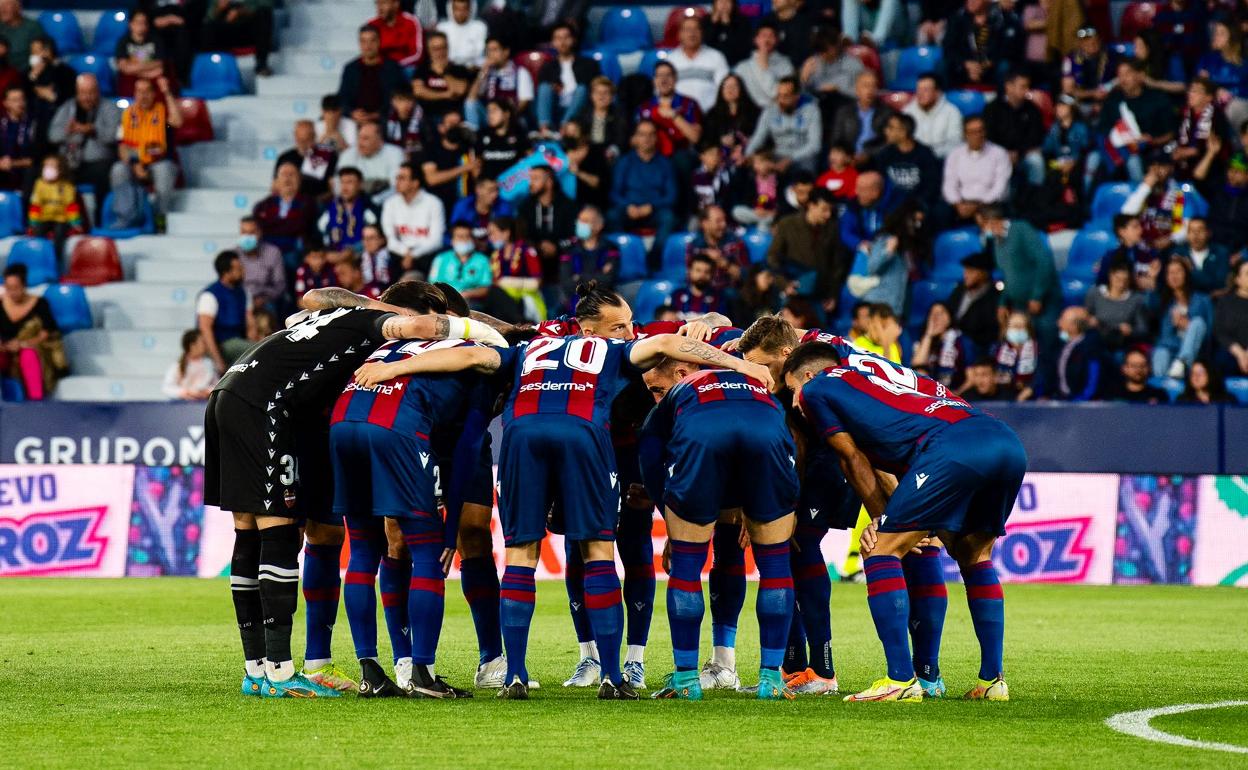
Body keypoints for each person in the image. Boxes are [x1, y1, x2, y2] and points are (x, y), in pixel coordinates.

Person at [350, 282, 774, 700]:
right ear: (591, 332)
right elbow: (670, 342)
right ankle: (612, 675)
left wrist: (392, 368)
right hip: (583, 432)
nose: (629, 332)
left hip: (523, 434)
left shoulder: (529, 347)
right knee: (596, 550)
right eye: (621, 326)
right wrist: (741, 366)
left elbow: (470, 354)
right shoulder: (610, 349)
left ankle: (513, 674)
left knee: (520, 555)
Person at [204, 280, 506, 698]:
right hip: (293, 414)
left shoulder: (334, 318)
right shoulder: (381, 325)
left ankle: (283, 666)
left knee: (279, 532)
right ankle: (286, 671)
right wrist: (477, 334)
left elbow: (309, 303)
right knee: (289, 531)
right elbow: (448, 334)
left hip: (260, 400)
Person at [783, 340, 1024, 702]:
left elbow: (852, 459)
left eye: (791, 389)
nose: (792, 401)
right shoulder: (897, 382)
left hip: (950, 448)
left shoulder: (819, 387)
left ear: (808, 375)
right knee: (972, 554)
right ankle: (993, 680)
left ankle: (899, 679)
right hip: (1005, 442)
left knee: (880, 550)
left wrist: (882, 520)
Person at [640, 359, 799, 701]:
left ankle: (685, 681)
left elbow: (650, 452)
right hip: (768, 432)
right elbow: (787, 437)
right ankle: (771, 679)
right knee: (775, 565)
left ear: (682, 373)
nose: (655, 396)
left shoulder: (680, 393)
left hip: (703, 433)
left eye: (656, 389)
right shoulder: (757, 381)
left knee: (686, 567)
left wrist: (669, 513)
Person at [977, 205, 1061, 358]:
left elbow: (1044, 261)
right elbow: (1007, 276)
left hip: (1044, 302)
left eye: (982, 225)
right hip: (1019, 305)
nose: (982, 230)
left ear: (992, 221)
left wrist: (1037, 295)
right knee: (1020, 351)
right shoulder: (997, 242)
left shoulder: (1021, 229)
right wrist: (1003, 302)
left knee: (1045, 348)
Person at [109, 76, 182, 229]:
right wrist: (135, 164)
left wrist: (167, 92)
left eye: (147, 91)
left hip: (159, 162)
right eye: (139, 92)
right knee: (118, 170)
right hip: (135, 162)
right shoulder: (127, 115)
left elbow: (177, 121)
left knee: (164, 171)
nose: (143, 96)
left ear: (154, 94)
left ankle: (159, 218)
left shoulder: (162, 113)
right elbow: (122, 147)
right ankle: (127, 216)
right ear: (134, 94)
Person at [49, 74, 119, 221]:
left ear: (98, 91)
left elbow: (113, 136)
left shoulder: (110, 108)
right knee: (52, 173)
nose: (87, 97)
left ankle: (101, 218)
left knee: (104, 173)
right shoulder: (67, 108)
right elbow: (52, 135)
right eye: (83, 93)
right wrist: (67, 131)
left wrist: (93, 130)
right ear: (77, 92)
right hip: (70, 162)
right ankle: (60, 220)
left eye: (91, 92)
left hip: (98, 163)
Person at [1095, 60, 1177, 185]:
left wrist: (1151, 140)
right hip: (1117, 148)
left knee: (1133, 161)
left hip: (1148, 150)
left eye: (1127, 74)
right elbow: (1102, 129)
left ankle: (1140, 200)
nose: (1123, 79)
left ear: (1140, 76)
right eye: (1120, 75)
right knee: (1093, 158)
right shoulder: (1113, 99)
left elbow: (1170, 133)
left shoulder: (1158, 99)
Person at [766, 188, 847, 308]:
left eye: (830, 210)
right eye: (824, 209)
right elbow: (773, 256)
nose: (828, 215)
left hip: (820, 295)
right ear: (811, 205)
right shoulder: (788, 224)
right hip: (794, 290)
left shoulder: (832, 228)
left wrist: (833, 294)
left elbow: (836, 266)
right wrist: (784, 283)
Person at [608, 120, 677, 255]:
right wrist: (628, 206)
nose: (647, 139)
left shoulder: (666, 164)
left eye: (651, 134)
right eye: (642, 134)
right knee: (612, 216)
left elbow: (672, 196)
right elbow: (614, 193)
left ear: (656, 138)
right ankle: (626, 254)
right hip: (629, 210)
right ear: (635, 138)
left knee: (669, 218)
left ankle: (654, 258)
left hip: (654, 211)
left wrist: (651, 206)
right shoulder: (624, 162)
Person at [0, 263, 64, 400]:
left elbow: (47, 332)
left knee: (28, 355)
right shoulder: (1, 303)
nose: (12, 292)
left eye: (16, 288)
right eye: (8, 288)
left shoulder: (40, 304)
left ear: (24, 286)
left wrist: (23, 343)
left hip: (32, 348)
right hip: (5, 350)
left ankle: (36, 402)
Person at [380, 162, 445, 278]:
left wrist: (413, 254)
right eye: (397, 178)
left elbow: (436, 241)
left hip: (425, 255)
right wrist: (406, 253)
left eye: (402, 178)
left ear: (415, 183)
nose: (397, 182)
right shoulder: (390, 203)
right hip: (399, 253)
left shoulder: (434, 203)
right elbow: (390, 240)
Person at [744, 76, 822, 174]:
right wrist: (748, 154)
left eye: (786, 96)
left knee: (807, 169)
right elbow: (759, 136)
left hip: (802, 156)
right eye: (779, 96)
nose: (781, 100)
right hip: (778, 154)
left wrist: (791, 159)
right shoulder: (770, 111)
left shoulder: (811, 110)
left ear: (796, 96)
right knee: (757, 166)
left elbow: (815, 145)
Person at [1152, 257, 1212, 380]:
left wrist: (1187, 326)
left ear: (1186, 274)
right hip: (1171, 350)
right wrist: (1153, 279)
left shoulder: (1203, 300)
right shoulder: (1165, 302)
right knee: (1160, 353)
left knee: (1197, 322)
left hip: (1198, 351)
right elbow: (1165, 338)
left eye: (1178, 271)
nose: (1174, 276)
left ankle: (1182, 363)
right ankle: (1162, 389)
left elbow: (1210, 333)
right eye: (1170, 273)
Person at [982, 71, 1045, 186]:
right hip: (997, 155)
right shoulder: (992, 108)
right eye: (1023, 87)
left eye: (1028, 87)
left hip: (1023, 155)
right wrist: (1003, 153)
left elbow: (1035, 137)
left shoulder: (1032, 109)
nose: (1027, 91)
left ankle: (1036, 198)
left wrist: (1019, 153)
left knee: (1036, 160)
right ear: (1009, 87)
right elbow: (988, 136)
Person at [517, 163, 577, 284]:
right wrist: (537, 246)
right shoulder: (525, 207)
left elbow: (575, 237)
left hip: (562, 259)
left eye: (536, 179)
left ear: (549, 182)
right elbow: (521, 235)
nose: (531, 183)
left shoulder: (568, 206)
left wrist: (557, 247)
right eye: (530, 179)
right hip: (535, 259)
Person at [942, 0, 1023, 89]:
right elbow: (948, 47)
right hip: (965, 67)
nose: (970, 2)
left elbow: (1010, 49)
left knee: (1005, 66)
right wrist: (966, 64)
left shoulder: (1002, 19)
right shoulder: (958, 18)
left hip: (992, 66)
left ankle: (1002, 99)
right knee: (943, 64)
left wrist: (987, 63)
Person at [535, 23, 599, 135]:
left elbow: (593, 88)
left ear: (573, 40)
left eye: (566, 37)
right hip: (556, 106)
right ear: (553, 43)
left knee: (582, 89)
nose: (562, 42)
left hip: (579, 107)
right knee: (544, 88)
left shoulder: (588, 64)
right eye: (558, 38)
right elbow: (544, 93)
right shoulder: (548, 66)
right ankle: (545, 129)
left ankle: (565, 127)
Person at [943, 116, 1011, 217]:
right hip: (962, 203)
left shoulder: (999, 153)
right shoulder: (955, 154)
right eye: (972, 132)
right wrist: (957, 204)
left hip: (990, 204)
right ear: (965, 135)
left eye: (980, 131)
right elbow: (949, 184)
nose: (978, 135)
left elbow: (1000, 187)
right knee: (940, 213)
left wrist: (978, 205)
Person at [253, 162, 319, 264]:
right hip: (267, 250)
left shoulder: (308, 203)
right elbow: (259, 229)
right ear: (276, 181)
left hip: (293, 250)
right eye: (284, 175)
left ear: (299, 180)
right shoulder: (262, 205)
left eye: (291, 175)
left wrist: (272, 226)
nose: (287, 179)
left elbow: (300, 226)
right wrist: (287, 225)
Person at [339, 26, 406, 126]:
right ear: (359, 44)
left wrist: (378, 115)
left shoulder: (392, 68)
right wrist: (352, 113)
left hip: (384, 121)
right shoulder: (350, 68)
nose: (368, 46)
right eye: (364, 41)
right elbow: (342, 98)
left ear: (379, 42)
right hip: (356, 121)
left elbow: (399, 97)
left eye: (372, 41)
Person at [197, 251, 253, 372]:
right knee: (252, 351)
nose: (243, 271)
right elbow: (205, 329)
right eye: (238, 269)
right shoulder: (209, 296)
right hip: (221, 343)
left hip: (238, 341)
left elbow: (250, 323)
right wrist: (218, 360)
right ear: (226, 273)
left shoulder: (243, 292)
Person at [637, 61, 704, 160]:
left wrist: (675, 116)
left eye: (668, 75)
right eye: (659, 75)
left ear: (675, 78)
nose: (664, 80)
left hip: (681, 155)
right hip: (652, 155)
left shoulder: (689, 104)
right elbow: (634, 139)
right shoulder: (644, 107)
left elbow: (695, 138)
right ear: (654, 80)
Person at [873, 113, 942, 208]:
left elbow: (931, 187)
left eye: (891, 127)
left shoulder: (925, 154)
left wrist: (917, 205)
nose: (886, 131)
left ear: (903, 132)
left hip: (918, 206)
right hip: (890, 205)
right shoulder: (885, 154)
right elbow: (880, 182)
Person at [464, 36, 534, 130]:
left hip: (511, 117)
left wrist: (504, 115)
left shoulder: (520, 72)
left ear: (506, 52)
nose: (490, 54)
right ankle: (473, 138)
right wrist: (483, 72)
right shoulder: (486, 73)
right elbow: (471, 97)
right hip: (489, 116)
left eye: (494, 50)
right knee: (470, 103)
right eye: (488, 50)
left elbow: (524, 102)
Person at [1084, 258, 1149, 353]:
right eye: (1118, 279)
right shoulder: (1095, 293)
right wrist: (1090, 321)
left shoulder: (1136, 299)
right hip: (1097, 340)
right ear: (1111, 276)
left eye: (1125, 280)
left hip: (1122, 344)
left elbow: (1143, 329)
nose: (1121, 284)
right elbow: (1085, 317)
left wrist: (1131, 331)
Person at [828, 70, 893, 164]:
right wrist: (845, 156)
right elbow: (836, 140)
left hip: (874, 160)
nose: (870, 90)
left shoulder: (886, 112)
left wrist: (869, 155)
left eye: (874, 86)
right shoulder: (844, 112)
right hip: (846, 159)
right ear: (857, 90)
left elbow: (889, 142)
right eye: (866, 86)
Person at [26, 154, 83, 259]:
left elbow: (71, 207)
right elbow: (35, 206)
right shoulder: (39, 184)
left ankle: (56, 260)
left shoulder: (67, 186)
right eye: (46, 166)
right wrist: (32, 224)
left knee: (59, 233)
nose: (48, 169)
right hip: (44, 218)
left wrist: (76, 224)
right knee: (38, 232)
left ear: (60, 169)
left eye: (52, 166)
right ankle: (39, 258)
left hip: (61, 219)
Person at [669, 15, 730, 112]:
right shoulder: (670, 60)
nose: (692, 33)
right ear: (679, 34)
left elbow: (725, 89)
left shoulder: (716, 57)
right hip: (677, 116)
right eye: (687, 29)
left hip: (710, 116)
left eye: (696, 29)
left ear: (702, 33)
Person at [202, 0, 275, 77]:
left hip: (248, 24)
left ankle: (261, 65)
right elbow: (208, 17)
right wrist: (219, 9)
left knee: (264, 14)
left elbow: (266, 4)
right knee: (207, 28)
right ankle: (210, 70)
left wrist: (240, 12)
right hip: (225, 25)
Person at [413, 31, 472, 123]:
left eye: (443, 47)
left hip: (453, 117)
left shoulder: (459, 69)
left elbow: (460, 90)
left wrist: (443, 73)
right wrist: (446, 94)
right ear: (429, 50)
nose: (440, 52)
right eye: (436, 49)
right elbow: (418, 91)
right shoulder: (422, 69)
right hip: (428, 118)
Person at [338, 122, 405, 202]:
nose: (360, 143)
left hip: (385, 202)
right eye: (359, 138)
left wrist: (375, 201)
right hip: (354, 202)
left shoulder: (395, 153)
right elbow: (339, 185)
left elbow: (397, 187)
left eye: (366, 138)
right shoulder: (348, 154)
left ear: (379, 141)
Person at [560, 205, 618, 299]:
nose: (580, 224)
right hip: (575, 302)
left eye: (585, 221)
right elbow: (566, 283)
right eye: (579, 220)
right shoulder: (569, 248)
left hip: (602, 302)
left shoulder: (610, 248)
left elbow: (608, 281)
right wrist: (596, 276)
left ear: (599, 226)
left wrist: (579, 277)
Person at [947, 251, 999, 353]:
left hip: (975, 348)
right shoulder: (959, 290)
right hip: (950, 341)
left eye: (971, 271)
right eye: (965, 270)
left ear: (983, 273)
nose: (966, 275)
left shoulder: (993, 298)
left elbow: (988, 334)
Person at [428, 220, 492, 304]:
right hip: (443, 300)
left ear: (473, 239)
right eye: (460, 236)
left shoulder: (483, 260)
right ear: (452, 240)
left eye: (468, 236)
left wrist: (468, 294)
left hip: (472, 302)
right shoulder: (440, 259)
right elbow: (431, 284)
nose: (464, 240)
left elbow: (486, 288)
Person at [688, 204, 748, 292]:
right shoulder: (694, 246)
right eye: (718, 221)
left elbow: (747, 276)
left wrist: (723, 263)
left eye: (724, 220)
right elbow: (690, 278)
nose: (724, 225)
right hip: (703, 293)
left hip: (728, 294)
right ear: (705, 224)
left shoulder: (735, 243)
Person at [701, 73, 760, 164]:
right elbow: (706, 140)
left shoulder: (754, 111)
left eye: (734, 86)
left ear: (741, 89)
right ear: (721, 90)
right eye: (726, 86)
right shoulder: (712, 114)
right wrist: (720, 141)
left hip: (748, 155)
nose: (730, 89)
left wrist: (746, 145)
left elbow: (760, 137)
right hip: (720, 156)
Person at [734, 21, 793, 110]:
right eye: (763, 36)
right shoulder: (742, 67)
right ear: (755, 40)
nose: (767, 40)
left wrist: (765, 67)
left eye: (771, 36)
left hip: (777, 112)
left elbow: (778, 94)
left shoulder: (785, 65)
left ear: (776, 40)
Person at [903, 74, 964, 160]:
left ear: (937, 93)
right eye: (918, 89)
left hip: (941, 162)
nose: (920, 93)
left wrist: (928, 154)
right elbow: (903, 141)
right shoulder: (907, 111)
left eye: (925, 90)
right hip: (913, 160)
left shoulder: (952, 112)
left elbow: (955, 144)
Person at [839, 171, 898, 257]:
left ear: (875, 193)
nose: (856, 192)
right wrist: (859, 243)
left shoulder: (897, 205)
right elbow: (846, 231)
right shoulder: (854, 205)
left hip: (892, 254)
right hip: (864, 252)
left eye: (861, 189)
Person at [1054, 306, 1107, 401]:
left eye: (1062, 320)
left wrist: (1082, 400)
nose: (1058, 323)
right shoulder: (1062, 345)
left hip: (1081, 404)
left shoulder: (1090, 347)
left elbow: (1093, 378)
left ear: (1074, 326)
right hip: (1063, 401)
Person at [319, 167, 378, 253]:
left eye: (349, 182)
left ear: (360, 185)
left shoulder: (369, 207)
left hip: (361, 254)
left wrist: (352, 251)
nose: (345, 187)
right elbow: (320, 231)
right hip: (333, 253)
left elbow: (374, 236)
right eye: (342, 182)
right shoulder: (328, 206)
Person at [911, 301, 969, 388]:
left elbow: (971, 377)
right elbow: (917, 365)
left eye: (941, 313)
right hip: (932, 394)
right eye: (933, 314)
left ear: (949, 317)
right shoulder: (925, 340)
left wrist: (955, 395)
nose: (936, 317)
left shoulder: (961, 340)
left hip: (956, 395)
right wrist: (929, 335)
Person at [570, 76, 629, 160]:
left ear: (612, 96)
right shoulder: (583, 112)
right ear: (591, 95)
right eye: (597, 92)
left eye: (606, 92)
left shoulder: (619, 113)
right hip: (586, 152)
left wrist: (613, 151)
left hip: (608, 152)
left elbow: (621, 138)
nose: (601, 96)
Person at [450, 176, 512, 253]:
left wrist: (487, 245)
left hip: (495, 251)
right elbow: (454, 233)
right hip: (468, 251)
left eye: (497, 190)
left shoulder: (504, 206)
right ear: (478, 190)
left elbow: (507, 234)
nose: (495, 194)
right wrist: (473, 243)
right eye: (491, 190)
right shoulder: (463, 206)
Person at [1170, 218, 1229, 295]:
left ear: (1209, 233)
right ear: (1187, 235)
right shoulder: (1178, 253)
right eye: (1191, 231)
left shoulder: (1220, 252)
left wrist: (1192, 270)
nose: (1195, 235)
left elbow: (1220, 283)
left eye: (1200, 230)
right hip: (1185, 298)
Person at [729, 150, 781, 229]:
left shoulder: (778, 179)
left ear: (770, 163)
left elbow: (781, 202)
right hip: (756, 213)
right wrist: (756, 208)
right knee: (736, 211)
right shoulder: (751, 179)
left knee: (765, 223)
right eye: (755, 163)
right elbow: (747, 199)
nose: (756, 166)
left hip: (772, 215)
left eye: (760, 163)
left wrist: (771, 212)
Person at [1214, 260, 1248, 377]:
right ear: (1237, 279)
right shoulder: (1225, 302)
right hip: (1231, 351)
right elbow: (1220, 332)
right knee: (1221, 360)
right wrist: (1240, 354)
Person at [668, 253, 727, 319]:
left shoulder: (718, 298)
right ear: (690, 272)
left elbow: (722, 325)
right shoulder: (676, 295)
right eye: (698, 270)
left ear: (712, 275)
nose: (702, 275)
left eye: (707, 272)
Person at [994, 309, 1037, 401]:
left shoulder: (1037, 349)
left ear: (1028, 330)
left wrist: (1031, 388)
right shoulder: (996, 350)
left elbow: (1042, 375)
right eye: (1014, 326)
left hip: (1031, 396)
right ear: (1006, 329)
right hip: (1003, 396)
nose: (1017, 330)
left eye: (1021, 327)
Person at [163, 329, 216, 400]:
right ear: (192, 346)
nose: (206, 345)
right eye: (203, 342)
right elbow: (167, 388)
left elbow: (217, 385)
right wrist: (185, 392)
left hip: (203, 404)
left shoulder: (209, 364)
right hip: (182, 405)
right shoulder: (177, 366)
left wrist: (207, 391)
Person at [0, 86, 36, 191]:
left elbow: (33, 159)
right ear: (5, 103)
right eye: (15, 100)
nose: (20, 103)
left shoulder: (33, 124)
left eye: (22, 99)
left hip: (23, 171)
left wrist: (12, 163)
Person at [368, 0, 422, 67]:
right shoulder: (372, 24)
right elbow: (368, 52)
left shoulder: (411, 22)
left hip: (404, 67)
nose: (379, 8)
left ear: (396, 4)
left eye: (383, 3)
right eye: (377, 3)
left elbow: (417, 54)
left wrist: (395, 66)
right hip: (380, 68)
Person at [437, 0, 487, 68]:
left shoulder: (480, 27)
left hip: (472, 68)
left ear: (471, 9)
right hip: (447, 67)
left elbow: (480, 53)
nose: (460, 13)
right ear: (450, 9)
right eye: (457, 9)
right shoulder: (442, 28)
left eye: (464, 9)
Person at [702, 0, 753, 66]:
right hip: (711, 64)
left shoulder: (742, 21)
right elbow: (705, 43)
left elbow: (741, 46)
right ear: (715, 4)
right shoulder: (707, 20)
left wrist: (727, 25)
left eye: (727, 1)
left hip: (736, 63)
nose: (724, 5)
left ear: (733, 4)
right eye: (720, 2)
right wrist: (713, 24)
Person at [0, 0, 39, 73]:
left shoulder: (32, 27)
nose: (2, 9)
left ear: (18, 7)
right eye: (0, 6)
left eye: (6, 5)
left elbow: (39, 55)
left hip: (25, 74)